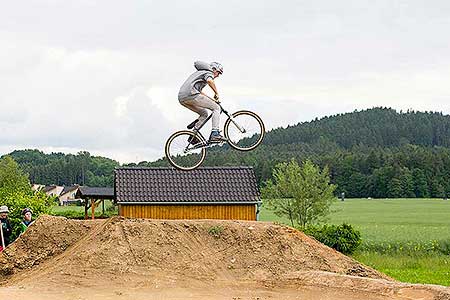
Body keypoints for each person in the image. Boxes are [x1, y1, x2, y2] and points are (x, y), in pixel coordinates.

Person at [178, 61, 226, 143]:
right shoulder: (209, 72)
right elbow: (210, 81)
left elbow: (200, 93)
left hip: (182, 98)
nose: (218, 76)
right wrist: (216, 93)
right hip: (191, 95)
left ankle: (193, 135)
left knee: (204, 114)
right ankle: (215, 133)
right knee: (217, 108)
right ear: (214, 69)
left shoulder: (201, 73)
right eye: (218, 73)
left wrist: (212, 100)